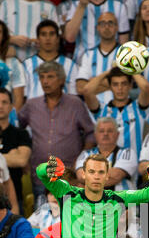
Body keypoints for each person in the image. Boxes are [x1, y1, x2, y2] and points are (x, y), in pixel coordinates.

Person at [18, 61, 96, 208]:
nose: (45, 81)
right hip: (40, 177)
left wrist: (81, 161)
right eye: (42, 77)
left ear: (61, 80)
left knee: (70, 222)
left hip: (67, 177)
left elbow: (91, 133)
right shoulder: (31, 105)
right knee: (42, 222)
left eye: (50, 77)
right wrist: (24, 157)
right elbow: (17, 130)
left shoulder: (75, 104)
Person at [83, 66, 149, 160]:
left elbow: (146, 87)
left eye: (124, 84)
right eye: (115, 84)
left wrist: (130, 70)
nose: (120, 88)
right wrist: (108, 72)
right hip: (106, 166)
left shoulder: (138, 108)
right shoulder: (102, 110)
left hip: (133, 167)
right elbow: (86, 90)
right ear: (110, 87)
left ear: (130, 85)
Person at [0, 87, 32, 214]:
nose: (0, 106)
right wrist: (11, 155)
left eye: (4, 102)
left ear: (11, 106)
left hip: (14, 200)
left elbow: (22, 160)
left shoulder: (21, 134)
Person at [75, 117, 138, 191]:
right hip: (93, 201)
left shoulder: (128, 152)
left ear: (117, 134)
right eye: (101, 131)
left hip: (122, 200)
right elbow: (80, 176)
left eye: (110, 131)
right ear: (95, 135)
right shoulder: (85, 154)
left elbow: (117, 175)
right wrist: (109, 173)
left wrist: (90, 175)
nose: (105, 134)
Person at [23, 19, 78, 100]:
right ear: (38, 39)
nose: (48, 38)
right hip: (34, 110)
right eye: (43, 34)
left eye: (51, 34)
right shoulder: (27, 64)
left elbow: (74, 95)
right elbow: (23, 96)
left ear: (58, 39)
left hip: (62, 110)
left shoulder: (70, 65)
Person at [63, 0, 129, 64]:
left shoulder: (119, 7)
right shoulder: (75, 5)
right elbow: (69, 37)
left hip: (111, 61)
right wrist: (81, 6)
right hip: (82, 61)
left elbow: (123, 43)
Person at [76, 12, 120, 106]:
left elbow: (127, 86)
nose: (107, 27)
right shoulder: (88, 55)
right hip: (93, 112)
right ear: (97, 28)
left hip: (119, 111)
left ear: (117, 27)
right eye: (103, 24)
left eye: (110, 23)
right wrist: (112, 83)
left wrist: (92, 82)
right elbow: (80, 87)